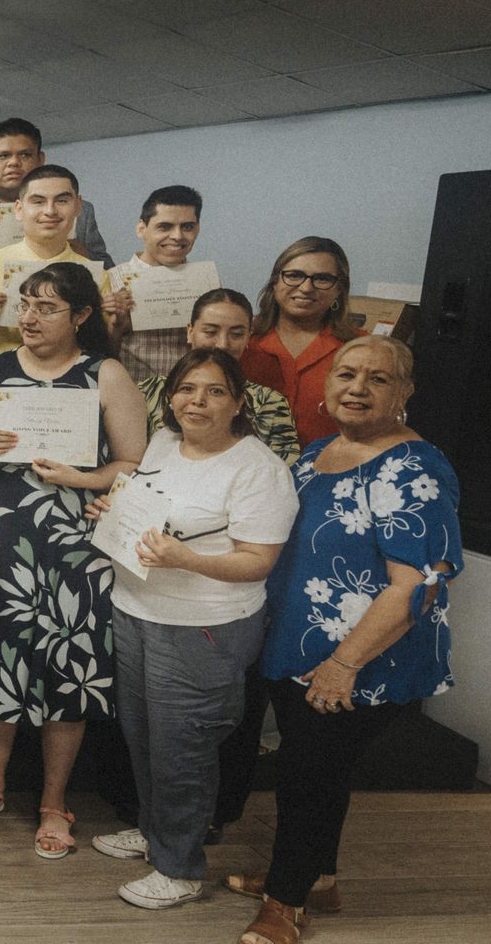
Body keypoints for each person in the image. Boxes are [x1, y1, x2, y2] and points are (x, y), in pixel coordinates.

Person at [226, 336, 460, 944]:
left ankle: (284, 905)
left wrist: (343, 663)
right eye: (346, 374)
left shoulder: (415, 467)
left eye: (378, 379)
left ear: (404, 393)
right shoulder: (323, 449)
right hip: (296, 648)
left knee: (308, 777)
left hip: (360, 660)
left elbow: (418, 584)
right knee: (319, 773)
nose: (357, 388)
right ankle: (316, 879)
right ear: (327, 388)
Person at [80, 349, 297, 910]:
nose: (196, 401)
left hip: (204, 628)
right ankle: (156, 833)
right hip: (136, 610)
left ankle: (179, 868)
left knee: (183, 748)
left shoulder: (258, 469)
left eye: (214, 391)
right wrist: (113, 510)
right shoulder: (161, 444)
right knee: (143, 735)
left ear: (239, 402)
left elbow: (258, 561)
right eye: (186, 389)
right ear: (170, 396)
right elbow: (149, 511)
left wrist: (186, 559)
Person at [0, 261, 147, 858]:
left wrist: (84, 477)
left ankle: (55, 800)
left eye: (47, 307)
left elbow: (136, 463)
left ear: (82, 316)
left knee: (70, 669)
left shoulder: (105, 374)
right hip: (0, 541)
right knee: (0, 663)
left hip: (75, 546)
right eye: (25, 305)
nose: (29, 317)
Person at [0, 164, 113, 359]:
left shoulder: (94, 274)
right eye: (38, 201)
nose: (50, 211)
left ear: (78, 206)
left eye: (62, 200)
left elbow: (103, 346)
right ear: (19, 209)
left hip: (71, 383)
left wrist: (118, 322)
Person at [137, 289, 300, 464]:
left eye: (236, 334)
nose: (222, 344)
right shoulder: (145, 393)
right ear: (190, 332)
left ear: (248, 337)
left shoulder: (270, 402)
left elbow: (284, 477)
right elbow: (127, 462)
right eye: (210, 332)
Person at [0, 117, 112, 276]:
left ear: (40, 160)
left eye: (25, 155)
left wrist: (87, 259)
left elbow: (110, 274)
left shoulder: (80, 211)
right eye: (3, 155)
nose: (14, 162)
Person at [240, 237, 363, 446]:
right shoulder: (240, 338)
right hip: (248, 470)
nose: (306, 288)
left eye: (322, 278)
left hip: (330, 469)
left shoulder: (361, 347)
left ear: (339, 289)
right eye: (294, 275)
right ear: (275, 281)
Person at [107, 186, 209, 380]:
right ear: (141, 229)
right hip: (131, 396)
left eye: (187, 227)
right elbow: (95, 358)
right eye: (165, 227)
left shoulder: (206, 281)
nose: (177, 236)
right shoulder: (111, 280)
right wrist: (116, 328)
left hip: (189, 397)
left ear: (197, 228)